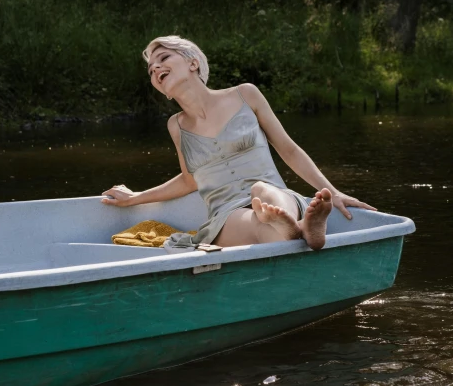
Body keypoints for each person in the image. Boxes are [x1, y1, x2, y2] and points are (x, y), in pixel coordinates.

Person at [102, 35, 376, 250]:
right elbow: (189, 180)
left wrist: (332, 191)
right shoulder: (176, 126)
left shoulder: (246, 94)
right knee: (259, 225)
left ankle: (293, 225)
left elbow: (288, 149)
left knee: (263, 191)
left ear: (192, 62)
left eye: (163, 58)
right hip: (227, 214)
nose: (156, 68)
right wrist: (137, 198)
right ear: (161, 89)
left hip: (276, 198)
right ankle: (303, 232)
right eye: (151, 70)